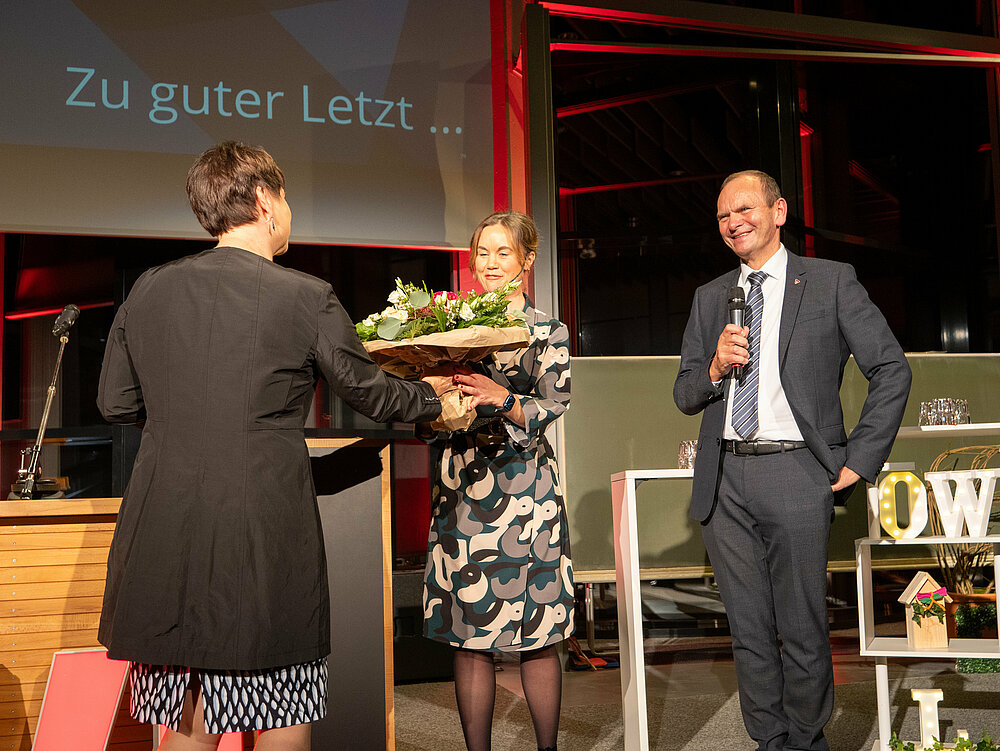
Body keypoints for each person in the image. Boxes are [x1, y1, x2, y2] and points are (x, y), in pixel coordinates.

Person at [97, 141, 448, 751]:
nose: (288, 211)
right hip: (261, 532)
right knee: (283, 714)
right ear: (264, 200)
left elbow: (116, 403)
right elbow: (369, 392)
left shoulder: (148, 289)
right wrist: (437, 399)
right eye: (286, 198)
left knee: (188, 723)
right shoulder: (305, 296)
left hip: (165, 532)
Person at [673, 170, 910, 751]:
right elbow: (684, 394)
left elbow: (890, 368)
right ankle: (769, 742)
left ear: (778, 212)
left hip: (797, 471)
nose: (734, 222)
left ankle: (806, 741)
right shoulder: (711, 297)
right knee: (749, 632)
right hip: (724, 479)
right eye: (724, 215)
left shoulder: (829, 281)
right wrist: (714, 368)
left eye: (745, 209)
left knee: (802, 627)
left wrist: (859, 458)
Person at [421, 211, 573, 751]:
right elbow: (426, 412)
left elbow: (554, 404)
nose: (490, 263)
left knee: (538, 633)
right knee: (470, 636)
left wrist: (502, 397)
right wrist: (432, 394)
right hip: (463, 486)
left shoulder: (548, 330)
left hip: (526, 490)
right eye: (482, 252)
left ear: (527, 260)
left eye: (503, 252)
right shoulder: (449, 329)